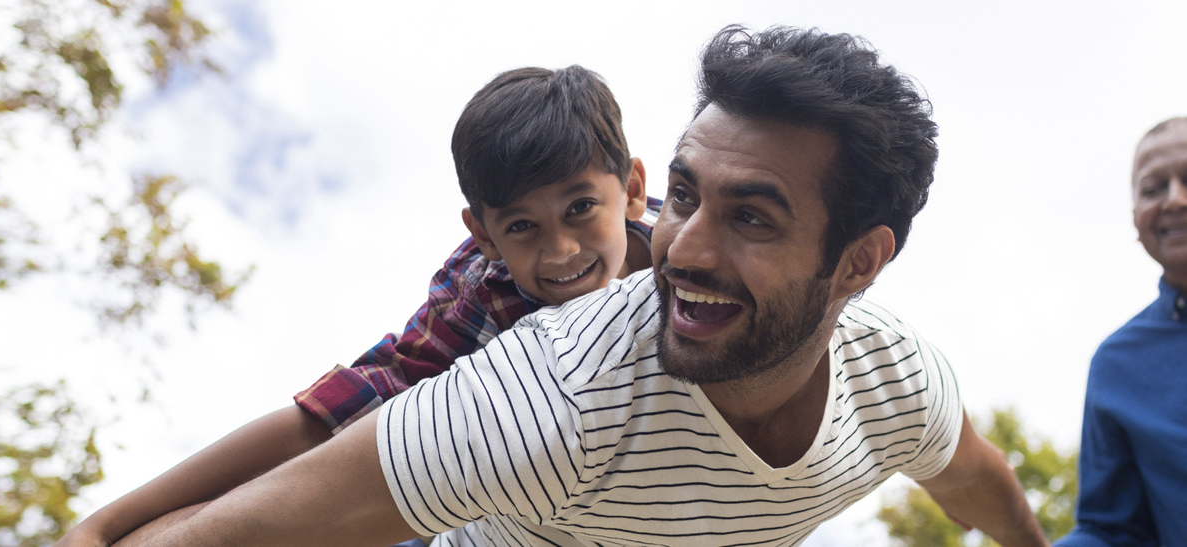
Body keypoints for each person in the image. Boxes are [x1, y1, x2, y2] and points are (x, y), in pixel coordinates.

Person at [110, 25, 1051, 547]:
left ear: (860, 260)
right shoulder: (542, 390)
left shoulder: (895, 379)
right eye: (689, 196)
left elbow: (976, 479)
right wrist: (105, 528)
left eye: (753, 216)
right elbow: (278, 474)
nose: (688, 249)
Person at [58, 65, 658, 546]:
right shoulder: (484, 291)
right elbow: (336, 414)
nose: (559, 250)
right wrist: (103, 524)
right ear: (485, 236)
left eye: (580, 207)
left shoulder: (695, 255)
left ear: (630, 191)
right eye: (523, 225)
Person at [1056, 117, 1187, 547]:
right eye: (1153, 189)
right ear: (1135, 217)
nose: (1174, 200)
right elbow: (1113, 531)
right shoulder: (1116, 364)